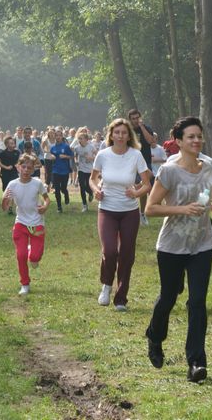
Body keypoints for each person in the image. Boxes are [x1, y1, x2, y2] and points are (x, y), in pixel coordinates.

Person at [144, 116, 212, 383]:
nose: (196, 140)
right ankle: (155, 336)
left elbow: (209, 194)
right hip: (172, 245)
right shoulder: (169, 170)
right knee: (169, 296)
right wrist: (182, 209)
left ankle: (196, 362)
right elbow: (151, 208)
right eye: (191, 137)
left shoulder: (209, 165)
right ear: (178, 141)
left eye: (199, 136)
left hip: (202, 242)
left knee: (198, 302)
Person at [89, 118, 151, 311]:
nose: (120, 136)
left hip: (129, 212)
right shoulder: (103, 155)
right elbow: (92, 179)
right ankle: (106, 285)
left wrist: (136, 193)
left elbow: (147, 184)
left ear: (129, 135)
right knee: (109, 251)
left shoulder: (136, 155)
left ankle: (121, 298)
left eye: (124, 132)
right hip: (107, 209)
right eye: (117, 132)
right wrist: (96, 191)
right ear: (111, 135)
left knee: (126, 254)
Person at [2, 154, 50, 295]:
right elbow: (4, 207)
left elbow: (47, 199)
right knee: (21, 255)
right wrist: (5, 200)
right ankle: (25, 284)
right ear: (18, 167)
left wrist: (45, 207)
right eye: (23, 167)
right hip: (21, 223)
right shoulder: (12, 185)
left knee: (34, 259)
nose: (26, 170)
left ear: (33, 169)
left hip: (37, 224)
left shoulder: (37, 183)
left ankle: (32, 253)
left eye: (29, 168)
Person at [127, 109, 156, 225]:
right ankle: (128, 212)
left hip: (145, 162)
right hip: (129, 162)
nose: (135, 120)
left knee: (145, 186)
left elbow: (150, 141)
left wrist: (142, 127)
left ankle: (142, 214)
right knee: (127, 185)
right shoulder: (127, 130)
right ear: (129, 119)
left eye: (137, 118)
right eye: (133, 119)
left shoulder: (146, 128)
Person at [49, 128, 73, 213]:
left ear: (62, 136)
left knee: (63, 188)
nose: (58, 137)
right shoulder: (52, 148)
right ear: (54, 137)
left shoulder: (66, 146)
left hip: (64, 171)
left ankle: (66, 194)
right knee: (57, 189)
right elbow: (50, 156)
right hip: (55, 170)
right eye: (56, 136)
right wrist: (51, 157)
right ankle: (59, 207)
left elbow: (71, 156)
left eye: (59, 136)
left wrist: (65, 156)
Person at [71, 131, 96, 212]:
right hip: (81, 169)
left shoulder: (91, 147)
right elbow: (75, 155)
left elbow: (97, 156)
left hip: (89, 170)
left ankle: (90, 193)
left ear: (86, 139)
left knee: (87, 186)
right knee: (82, 187)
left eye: (81, 138)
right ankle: (85, 205)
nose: (79, 140)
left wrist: (91, 158)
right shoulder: (77, 148)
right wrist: (76, 161)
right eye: (79, 138)